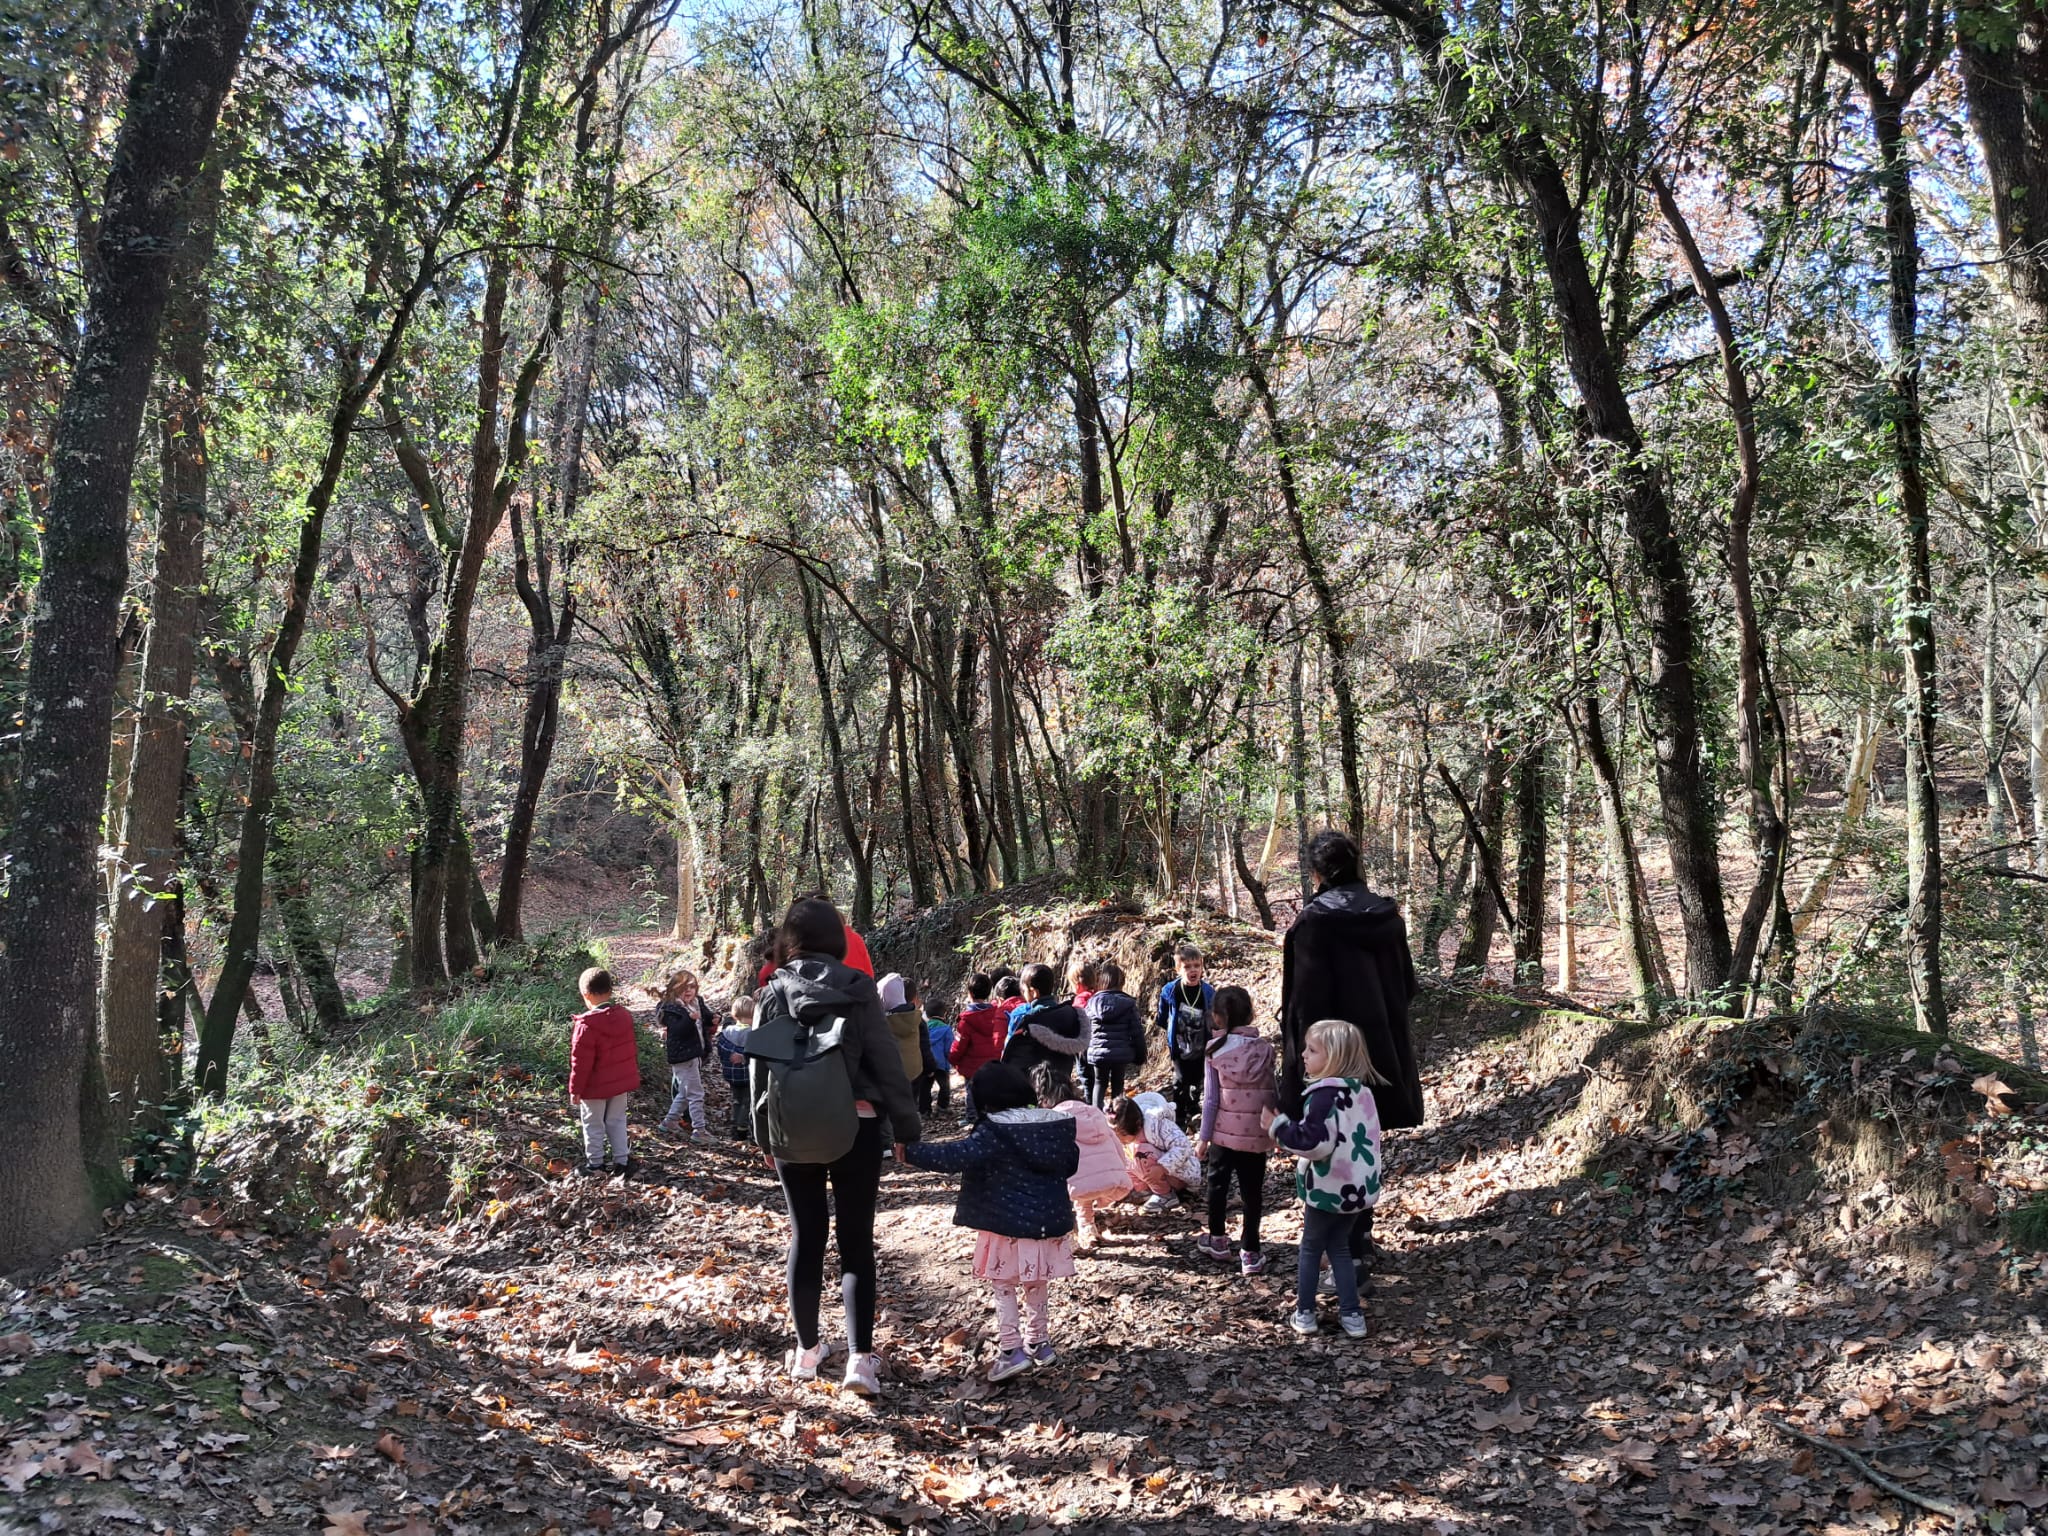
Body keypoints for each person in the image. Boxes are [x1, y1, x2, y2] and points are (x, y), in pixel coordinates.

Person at [759, 898, 921, 1396]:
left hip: (793, 1126)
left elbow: (759, 1066)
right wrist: (906, 1127)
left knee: (805, 1235)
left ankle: (807, 1353)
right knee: (855, 1239)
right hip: (858, 1124)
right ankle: (859, 1361)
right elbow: (886, 1060)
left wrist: (764, 1134)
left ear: (789, 941)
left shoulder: (773, 990)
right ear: (838, 940)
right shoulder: (858, 988)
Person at [1279, 829, 1422, 1273]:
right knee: (1362, 1139)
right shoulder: (1388, 918)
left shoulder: (1313, 923)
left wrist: (1300, 1058)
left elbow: (1301, 1003)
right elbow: (1407, 986)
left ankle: (1346, 1255)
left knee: (1329, 1142)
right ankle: (1360, 1238)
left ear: (1317, 874)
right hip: (1379, 1052)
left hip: (1329, 1056)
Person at [903, 1063, 1080, 1382]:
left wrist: (911, 1153)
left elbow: (955, 1157)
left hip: (1006, 1225)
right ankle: (1040, 1343)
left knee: (1004, 1285)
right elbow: (1071, 1162)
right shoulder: (1057, 1123)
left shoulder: (994, 1130)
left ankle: (1011, 1350)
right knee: (1036, 1282)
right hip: (1048, 1220)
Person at [1264, 1018, 1383, 1339]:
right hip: (1358, 1189)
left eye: (1312, 1050)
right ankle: (1352, 1315)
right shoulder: (1363, 1094)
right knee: (1340, 1248)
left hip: (1328, 1189)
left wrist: (1277, 1127)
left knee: (1311, 1249)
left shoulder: (1323, 1097)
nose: (1303, 1054)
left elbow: (1314, 1144)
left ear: (1334, 1058)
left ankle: (1305, 1312)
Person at [1193, 984, 1275, 1275]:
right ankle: (1251, 1252)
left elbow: (1211, 1099)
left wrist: (1203, 1138)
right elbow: (1272, 1091)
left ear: (1217, 1017)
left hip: (1223, 1136)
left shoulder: (1214, 1050)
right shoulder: (1265, 1050)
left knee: (1217, 1186)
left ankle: (1217, 1239)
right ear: (1250, 1014)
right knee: (1253, 1192)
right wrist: (1278, 1130)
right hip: (1256, 1135)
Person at [570, 967, 640, 1178]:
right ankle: (622, 1161)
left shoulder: (586, 1026)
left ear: (585, 995)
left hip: (594, 1087)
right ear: (610, 990)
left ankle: (595, 1164)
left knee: (593, 1123)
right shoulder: (624, 1017)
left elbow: (580, 1063)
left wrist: (575, 1089)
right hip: (619, 1083)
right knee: (617, 1120)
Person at [1002, 963, 1086, 1106]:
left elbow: (1013, 1057)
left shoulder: (1030, 1021)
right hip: (1062, 1083)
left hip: (1036, 1086)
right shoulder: (1069, 1015)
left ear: (1034, 992)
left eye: (1024, 990)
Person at [1055, 1096, 1131, 1250]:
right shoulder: (1097, 1117)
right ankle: (1088, 1227)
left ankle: (1068, 1238)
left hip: (1076, 1187)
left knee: (1072, 1186)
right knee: (1084, 1183)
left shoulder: (1055, 1122)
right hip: (1112, 1181)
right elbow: (1119, 1151)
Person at [651, 967, 715, 1143]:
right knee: (696, 1093)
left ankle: (670, 1121)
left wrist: (714, 1018)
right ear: (674, 989)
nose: (688, 991)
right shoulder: (671, 1008)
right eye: (683, 988)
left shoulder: (697, 1002)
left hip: (696, 1052)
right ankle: (699, 1130)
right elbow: (677, 1031)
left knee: (685, 1092)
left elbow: (706, 1017)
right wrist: (690, 1019)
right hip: (682, 1055)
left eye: (692, 987)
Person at [1157, 943, 1215, 1131]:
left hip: (1201, 1043)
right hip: (1180, 1044)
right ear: (1178, 969)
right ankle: (1179, 1115)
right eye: (1187, 967)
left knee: (1198, 1077)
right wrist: (1165, 1025)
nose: (1193, 970)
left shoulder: (1207, 991)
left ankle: (1193, 1104)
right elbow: (1162, 1014)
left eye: (1197, 966)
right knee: (1181, 1079)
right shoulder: (1170, 990)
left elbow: (1214, 1016)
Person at [1113, 1093, 1200, 1214]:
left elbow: (1183, 1147)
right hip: (1151, 1174)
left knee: (1142, 1153)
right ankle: (1143, 1190)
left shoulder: (1158, 1125)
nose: (1120, 1139)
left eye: (1123, 1135)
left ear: (1137, 1124)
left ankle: (1165, 1195)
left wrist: (1162, 1167)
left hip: (1178, 1174)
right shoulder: (1128, 1139)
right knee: (1125, 1155)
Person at [1083, 962, 1145, 1107]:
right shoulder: (1128, 1004)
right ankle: (1118, 1115)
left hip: (1098, 1053)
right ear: (1122, 982)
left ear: (1101, 982)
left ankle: (1097, 1114)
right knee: (1118, 1083)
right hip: (1120, 1053)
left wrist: (1085, 1053)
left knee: (1099, 1082)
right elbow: (1137, 1032)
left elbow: (1085, 1030)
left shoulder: (1092, 1003)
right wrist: (1141, 1054)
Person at [951, 974, 1008, 1113]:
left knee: (972, 1092)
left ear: (970, 993)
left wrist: (953, 1059)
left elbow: (959, 1045)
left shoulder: (966, 1020)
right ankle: (992, 1114)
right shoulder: (997, 1014)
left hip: (972, 1067)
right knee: (990, 1091)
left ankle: (972, 1116)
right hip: (992, 1064)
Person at [880, 972, 933, 1090]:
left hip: (890, 1077)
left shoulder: (880, 1022)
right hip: (914, 1073)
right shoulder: (917, 1019)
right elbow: (924, 1047)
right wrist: (930, 1068)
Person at [716, 997, 755, 1137]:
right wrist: (744, 1058)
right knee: (747, 1100)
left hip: (731, 1074)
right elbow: (755, 1053)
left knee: (737, 1098)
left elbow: (721, 1051)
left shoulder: (727, 1032)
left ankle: (735, 1121)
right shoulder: (753, 1033)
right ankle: (742, 1127)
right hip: (747, 1074)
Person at [920, 1001, 955, 1114]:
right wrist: (951, 1061)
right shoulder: (946, 1029)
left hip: (926, 1062)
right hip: (941, 1064)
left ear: (927, 1014)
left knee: (925, 1087)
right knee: (944, 1086)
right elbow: (949, 1049)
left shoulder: (923, 1028)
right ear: (944, 1014)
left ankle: (924, 1110)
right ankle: (942, 1106)